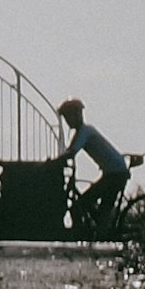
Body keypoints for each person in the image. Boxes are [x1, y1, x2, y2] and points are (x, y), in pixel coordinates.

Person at [56, 97, 127, 230]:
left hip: (115, 174)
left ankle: (87, 236)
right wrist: (61, 158)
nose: (67, 121)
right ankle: (102, 231)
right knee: (98, 208)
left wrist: (57, 162)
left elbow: (72, 152)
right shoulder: (81, 132)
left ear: (77, 115)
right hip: (113, 172)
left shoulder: (85, 131)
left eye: (68, 117)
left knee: (79, 207)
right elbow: (69, 151)